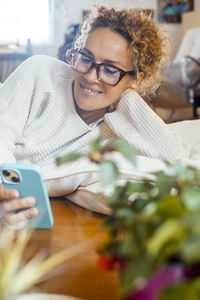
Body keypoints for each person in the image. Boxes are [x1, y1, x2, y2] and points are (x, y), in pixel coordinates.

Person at [0, 6, 196, 229]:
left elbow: (175, 156)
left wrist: (129, 96)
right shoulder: (39, 73)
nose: (91, 77)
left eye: (110, 70)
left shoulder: (118, 125)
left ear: (136, 78)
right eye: (85, 58)